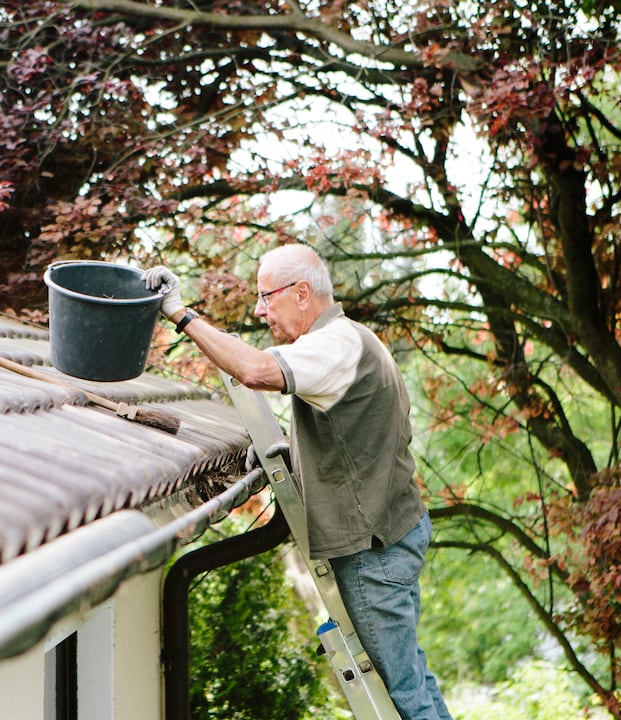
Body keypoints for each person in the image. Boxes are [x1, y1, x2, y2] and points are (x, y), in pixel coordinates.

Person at [145, 244, 452, 720]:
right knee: (412, 680)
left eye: (267, 297)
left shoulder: (334, 346)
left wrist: (180, 314)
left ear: (302, 293)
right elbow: (359, 435)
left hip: (372, 551)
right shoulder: (353, 340)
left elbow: (253, 370)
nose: (259, 309)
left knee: (400, 698)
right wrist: (291, 453)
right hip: (395, 533)